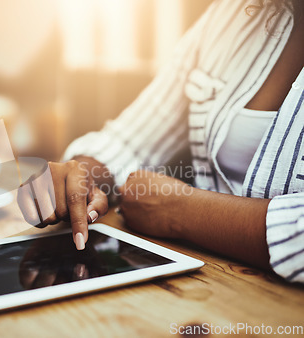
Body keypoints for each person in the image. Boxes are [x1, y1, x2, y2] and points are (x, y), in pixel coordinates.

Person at [18, 0, 304, 283]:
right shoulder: (231, 13)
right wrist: (82, 176)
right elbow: (130, 139)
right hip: (203, 283)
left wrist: (183, 212)